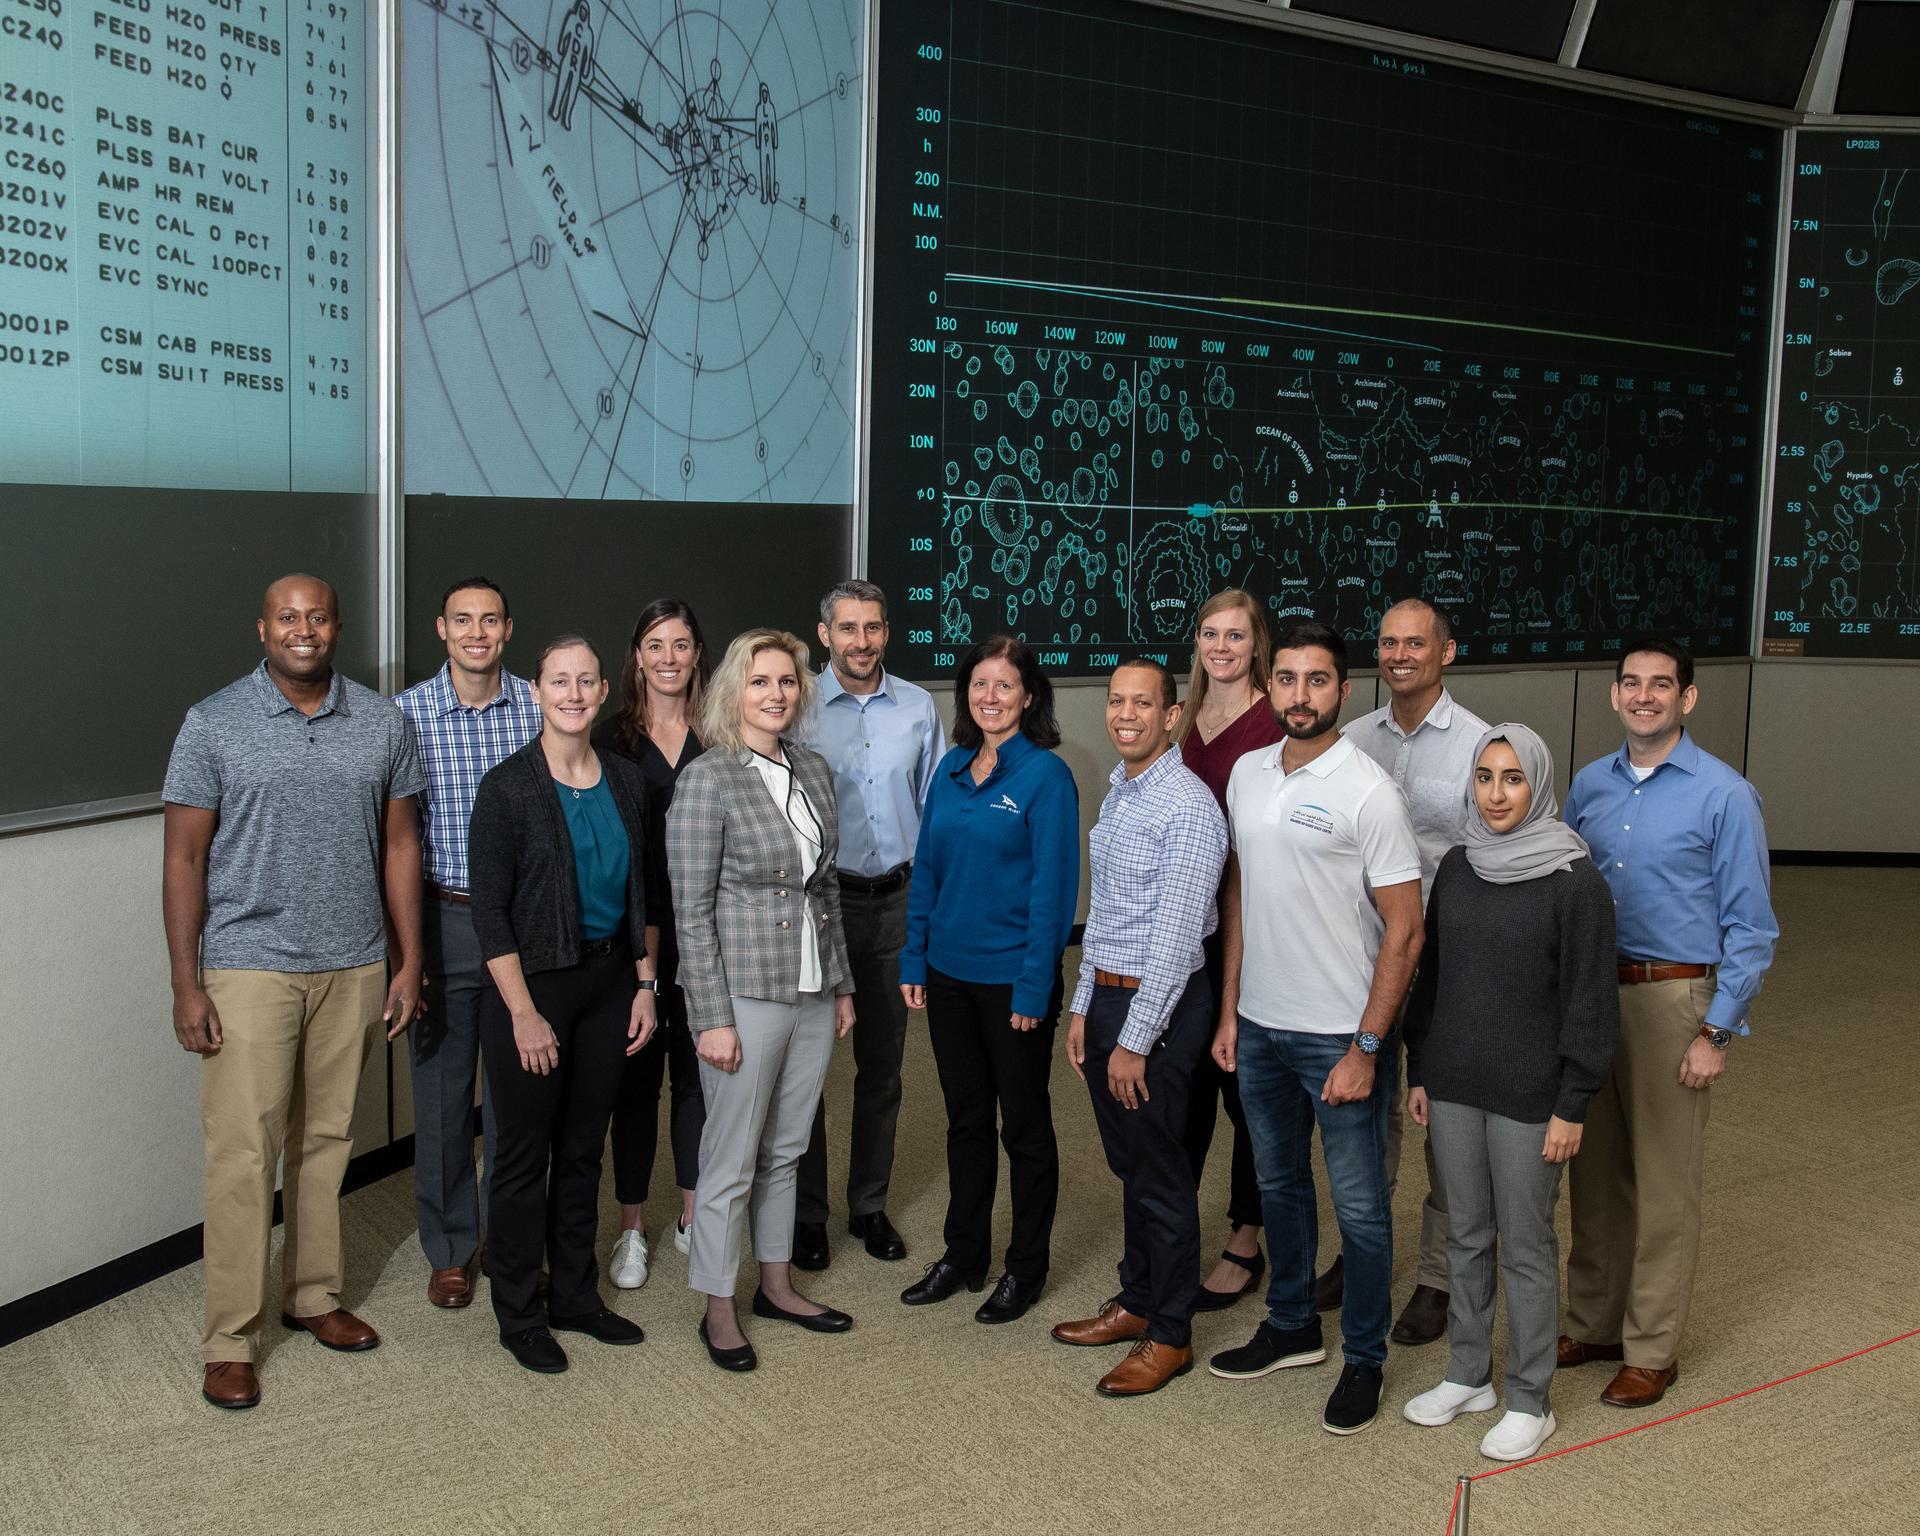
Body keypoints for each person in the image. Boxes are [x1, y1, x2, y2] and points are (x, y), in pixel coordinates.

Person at [162, 574, 425, 1411]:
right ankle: (230, 1340)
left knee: (327, 1140)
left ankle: (313, 1295)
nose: (302, 629)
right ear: (262, 629)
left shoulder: (382, 722)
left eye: (317, 617)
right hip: (249, 965)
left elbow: (400, 846)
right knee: (245, 1155)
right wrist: (186, 983)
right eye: (287, 617)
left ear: (337, 628)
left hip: (353, 964)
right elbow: (183, 859)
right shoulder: (213, 723)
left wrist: (409, 961)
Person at [1208, 620, 1424, 1437]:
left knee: (1361, 1211)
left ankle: (1364, 1358)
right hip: (1261, 1027)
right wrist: (1231, 1008)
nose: (1301, 695)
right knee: (1280, 1188)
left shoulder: (1371, 792)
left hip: (1340, 1037)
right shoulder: (1248, 774)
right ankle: (1293, 1325)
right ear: (1270, 687)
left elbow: (1405, 931)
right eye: (1289, 679)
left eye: (1319, 680)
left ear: (1344, 689)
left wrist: (1368, 1047)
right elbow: (1240, 893)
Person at [1559, 638, 1778, 1409]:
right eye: (1631, 683)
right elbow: (1562, 888)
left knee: (1663, 1184)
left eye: (1661, 685)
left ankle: (1651, 1350)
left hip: (1672, 1001)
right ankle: (1592, 1322)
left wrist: (1717, 1032)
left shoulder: (1725, 795)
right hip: (1594, 995)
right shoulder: (1590, 784)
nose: (1643, 696)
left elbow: (1753, 927)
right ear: (1614, 694)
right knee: (1593, 1173)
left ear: (1687, 698)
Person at [1400, 724, 1619, 1462]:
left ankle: (1531, 1398)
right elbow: (1433, 978)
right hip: (1455, 1081)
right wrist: (1421, 1069)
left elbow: (1591, 1004)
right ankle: (1469, 1375)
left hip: (1533, 1097)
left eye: (1513, 778)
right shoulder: (1459, 866)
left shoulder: (1575, 882)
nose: (1496, 794)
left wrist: (1572, 1103)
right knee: (1465, 1234)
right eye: (1485, 777)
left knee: (1526, 1246)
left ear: (1539, 785)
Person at [468, 635, 660, 1374]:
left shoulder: (626, 781)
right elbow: (491, 915)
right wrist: (522, 1013)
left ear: (604, 691)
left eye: (586, 681)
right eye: (559, 681)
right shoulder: (507, 788)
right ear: (537, 692)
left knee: (583, 1148)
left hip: (609, 985)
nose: (573, 694)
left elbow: (643, 894)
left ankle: (575, 1296)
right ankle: (520, 1312)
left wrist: (644, 984)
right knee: (523, 1156)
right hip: (533, 989)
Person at [669, 630, 857, 1373]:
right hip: (743, 993)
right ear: (733, 692)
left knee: (787, 1147)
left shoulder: (813, 768)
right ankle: (718, 1306)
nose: (775, 694)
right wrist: (710, 1018)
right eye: (759, 682)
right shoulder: (707, 779)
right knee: (731, 1155)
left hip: (812, 988)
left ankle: (775, 1285)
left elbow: (826, 886)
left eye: (785, 681)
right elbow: (689, 913)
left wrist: (841, 986)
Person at [1057, 660, 1227, 1396]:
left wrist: (1133, 1039)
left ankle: (1170, 1334)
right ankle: (1138, 1299)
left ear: (1172, 714)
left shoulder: (1187, 807)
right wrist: (1083, 1005)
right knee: (1133, 1166)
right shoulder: (1125, 791)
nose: (1126, 715)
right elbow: (1109, 914)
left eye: (1143, 704)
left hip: (1159, 1009)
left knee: (1161, 1175)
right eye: (1116, 701)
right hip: (1110, 996)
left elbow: (1177, 940)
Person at [898, 636, 1079, 1325]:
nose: (990, 697)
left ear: (1029, 696)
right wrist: (914, 957)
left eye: (1005, 685)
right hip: (948, 976)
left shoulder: (1047, 777)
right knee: (966, 1120)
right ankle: (963, 1253)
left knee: (1024, 1127)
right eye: (979, 684)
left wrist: (1034, 989)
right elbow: (928, 870)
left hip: (1013, 983)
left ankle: (1024, 1268)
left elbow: (1053, 895)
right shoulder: (950, 768)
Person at [1333, 597, 1490, 1345]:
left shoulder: (1480, 745)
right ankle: (1362, 1255)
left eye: (1416, 643)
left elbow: (1494, 858)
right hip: (1368, 958)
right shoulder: (1353, 739)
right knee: (1369, 1112)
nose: (1399, 655)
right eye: (1389, 642)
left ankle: (1437, 1277)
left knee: (1446, 1127)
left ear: (1446, 652)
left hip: (1448, 964)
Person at [394, 576, 542, 1310]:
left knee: (519, 1098)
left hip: (523, 925)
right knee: (443, 1101)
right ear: (441, 629)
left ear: (507, 629)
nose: (476, 632)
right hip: (445, 919)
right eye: (463, 620)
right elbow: (394, 840)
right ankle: (451, 1250)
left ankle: (510, 1240)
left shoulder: (540, 707)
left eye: (489, 620)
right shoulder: (406, 716)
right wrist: (407, 950)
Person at [795, 580, 946, 1270]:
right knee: (807, 1067)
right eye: (849, 628)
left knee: (882, 1066)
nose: (862, 642)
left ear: (887, 631)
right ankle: (807, 1214)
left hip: (895, 904)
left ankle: (868, 1204)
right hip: (819, 903)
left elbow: (935, 812)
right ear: (824, 634)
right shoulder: (795, 704)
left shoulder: (917, 707)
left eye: (874, 628)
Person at [1170, 589, 1283, 1312]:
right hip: (1188, 928)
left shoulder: (1274, 722)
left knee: (1246, 1088)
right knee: (1183, 1083)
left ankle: (1247, 1237)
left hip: (1254, 927)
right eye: (1210, 633)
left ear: (1256, 644)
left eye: (1236, 636)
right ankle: (1174, 1229)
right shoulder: (1180, 718)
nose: (1221, 648)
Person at [593, 599, 711, 1291]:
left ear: (698, 654)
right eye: (656, 645)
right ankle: (632, 1227)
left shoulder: (722, 734)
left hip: (706, 935)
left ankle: (693, 1216)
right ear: (637, 656)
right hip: (632, 938)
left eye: (681, 644)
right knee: (635, 1083)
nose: (669, 657)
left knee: (697, 1078)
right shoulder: (608, 739)